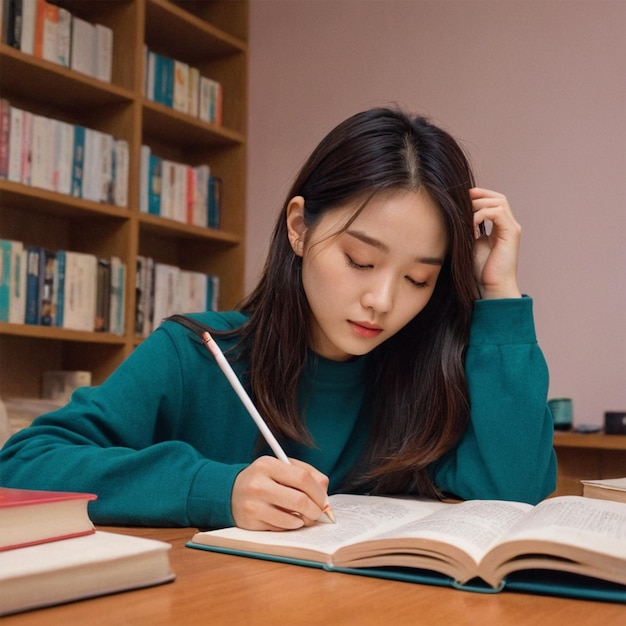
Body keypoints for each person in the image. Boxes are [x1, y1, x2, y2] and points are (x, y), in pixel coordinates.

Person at [0, 107, 556, 530]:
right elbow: (22, 464)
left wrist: (498, 293)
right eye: (360, 260)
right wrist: (215, 489)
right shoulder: (197, 353)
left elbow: (518, 493)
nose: (382, 300)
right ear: (299, 227)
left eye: (418, 279)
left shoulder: (430, 376)